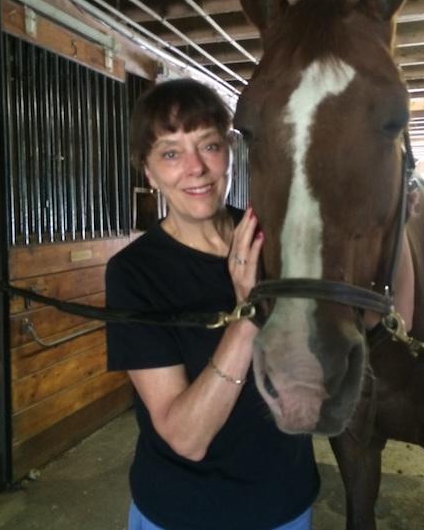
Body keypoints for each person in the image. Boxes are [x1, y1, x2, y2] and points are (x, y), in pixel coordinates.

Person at [105, 78, 320, 530]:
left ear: (229, 153)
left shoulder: (272, 238)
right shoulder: (134, 273)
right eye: (170, 153)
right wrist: (247, 314)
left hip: (285, 502)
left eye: (209, 145)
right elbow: (186, 438)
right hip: (184, 512)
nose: (196, 168)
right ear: (147, 172)